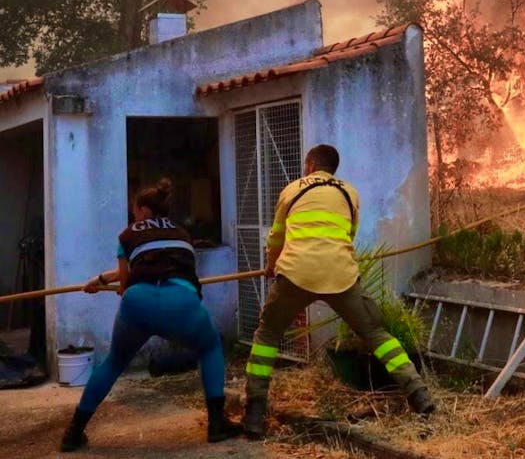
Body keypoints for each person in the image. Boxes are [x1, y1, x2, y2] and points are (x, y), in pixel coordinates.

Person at [242, 144, 434, 440]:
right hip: (340, 276)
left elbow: (277, 235)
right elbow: (349, 234)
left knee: (267, 336)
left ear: (310, 165)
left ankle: (254, 413)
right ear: (333, 169)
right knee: (376, 335)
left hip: (295, 274)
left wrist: (271, 265)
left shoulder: (293, 189)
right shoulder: (349, 192)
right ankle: (418, 393)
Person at [60, 178, 241, 452]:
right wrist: (99, 278)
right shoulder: (182, 234)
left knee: (114, 362)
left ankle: (74, 433)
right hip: (181, 302)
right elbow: (158, 264)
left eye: (135, 210)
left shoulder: (128, 235)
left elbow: (124, 284)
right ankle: (217, 424)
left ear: (144, 210)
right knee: (210, 346)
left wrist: (100, 282)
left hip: (139, 303)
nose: (134, 215)